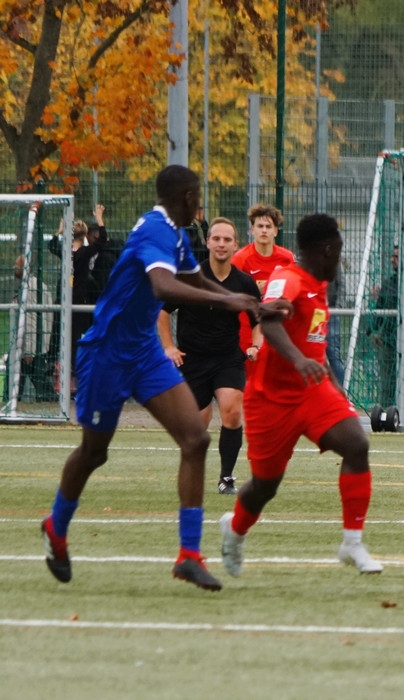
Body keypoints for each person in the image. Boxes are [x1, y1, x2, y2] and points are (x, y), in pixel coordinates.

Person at [40, 165, 264, 591]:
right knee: (94, 453)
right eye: (197, 196)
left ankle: (189, 555)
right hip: (107, 354)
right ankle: (56, 526)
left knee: (195, 440)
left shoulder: (175, 234)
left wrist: (247, 302)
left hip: (143, 353)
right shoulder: (156, 231)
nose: (199, 204)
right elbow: (163, 287)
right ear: (186, 198)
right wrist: (231, 301)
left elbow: (195, 280)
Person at [218, 213, 383, 577]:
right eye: (339, 251)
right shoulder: (287, 277)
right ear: (326, 250)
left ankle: (352, 543)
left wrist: (334, 388)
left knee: (356, 445)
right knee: (265, 485)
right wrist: (297, 360)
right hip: (270, 400)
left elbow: (312, 341)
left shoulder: (317, 285)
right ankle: (235, 529)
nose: (340, 259)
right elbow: (270, 321)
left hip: (311, 391)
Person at [157, 217, 263, 496]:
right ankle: (193, 473)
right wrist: (169, 347)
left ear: (236, 244)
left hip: (228, 358)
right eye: (216, 238)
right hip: (192, 359)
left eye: (227, 239)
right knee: (197, 425)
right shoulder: (190, 278)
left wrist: (256, 345)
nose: (221, 244)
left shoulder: (244, 282)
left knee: (232, 410)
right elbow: (162, 311)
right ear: (208, 242)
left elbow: (257, 320)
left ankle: (226, 478)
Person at [232, 203, 295, 366]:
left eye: (268, 226)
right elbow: (231, 292)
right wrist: (254, 291)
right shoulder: (240, 258)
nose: (264, 230)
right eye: (260, 226)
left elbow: (293, 289)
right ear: (252, 230)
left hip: (276, 327)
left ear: (276, 231)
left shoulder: (287, 258)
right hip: (248, 330)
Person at [48, 204, 108, 371]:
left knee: (61, 333)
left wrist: (60, 230)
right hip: (79, 299)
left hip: (64, 297)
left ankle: (57, 361)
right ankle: (75, 366)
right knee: (77, 334)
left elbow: (52, 245)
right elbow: (102, 240)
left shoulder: (66, 252)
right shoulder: (85, 253)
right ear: (84, 236)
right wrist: (99, 218)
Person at [10, 253, 56, 401]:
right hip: (39, 345)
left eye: (16, 266)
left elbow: (30, 320)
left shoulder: (29, 289)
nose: (13, 268)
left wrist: (28, 350)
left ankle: (13, 401)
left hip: (30, 347)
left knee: (24, 378)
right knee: (36, 380)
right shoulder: (40, 285)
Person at [370, 246, 400, 406]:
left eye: (396, 257)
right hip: (388, 338)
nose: (392, 260)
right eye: (392, 256)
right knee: (387, 382)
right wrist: (373, 331)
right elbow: (380, 308)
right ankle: (386, 411)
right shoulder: (389, 284)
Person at [325, 259, 346, 385]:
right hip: (312, 312)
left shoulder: (334, 261)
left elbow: (341, 284)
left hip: (331, 312)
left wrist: (338, 308)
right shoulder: (306, 259)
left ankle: (339, 390)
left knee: (333, 354)